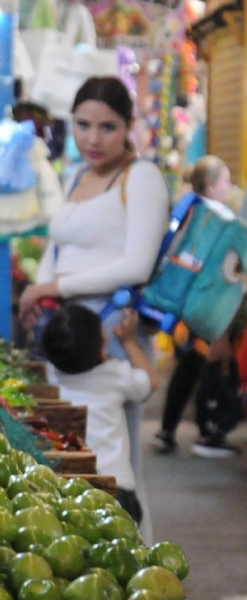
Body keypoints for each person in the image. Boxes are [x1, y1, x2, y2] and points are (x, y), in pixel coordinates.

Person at [18, 76, 170, 542]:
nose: (92, 138)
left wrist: (52, 286)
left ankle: (142, 570)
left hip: (112, 339)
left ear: (128, 127)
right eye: (83, 124)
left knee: (118, 470)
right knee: (70, 461)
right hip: (63, 337)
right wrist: (40, 294)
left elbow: (136, 264)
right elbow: (58, 245)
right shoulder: (76, 175)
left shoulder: (141, 177)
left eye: (107, 126)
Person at [40, 305, 159, 526]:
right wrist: (129, 341)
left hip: (69, 485)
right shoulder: (114, 374)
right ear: (102, 351)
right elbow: (151, 382)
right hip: (116, 487)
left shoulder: (50, 374)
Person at [156, 155, 237, 456]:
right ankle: (208, 432)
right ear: (211, 185)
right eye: (226, 181)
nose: (229, 188)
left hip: (181, 309)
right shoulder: (219, 220)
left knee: (187, 368)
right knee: (207, 367)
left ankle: (168, 428)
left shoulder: (187, 209)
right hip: (206, 307)